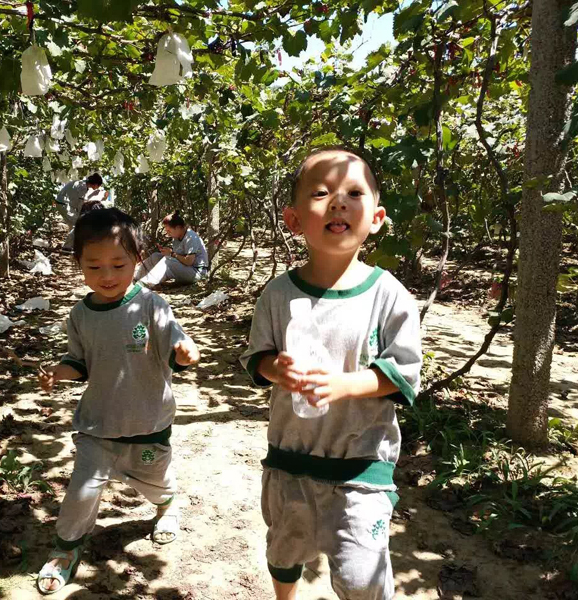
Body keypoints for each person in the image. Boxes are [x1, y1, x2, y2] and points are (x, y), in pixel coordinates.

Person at [239, 146, 422, 600]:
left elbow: (401, 374)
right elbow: (256, 357)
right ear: (294, 219)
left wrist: (344, 384)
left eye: (353, 192)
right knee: (285, 549)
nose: (338, 201)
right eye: (321, 193)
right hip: (290, 460)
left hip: (362, 466)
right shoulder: (278, 295)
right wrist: (274, 368)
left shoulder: (389, 296)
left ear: (376, 218)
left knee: (362, 579)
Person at [35, 208, 201, 594]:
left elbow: (176, 341)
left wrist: (184, 351)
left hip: (147, 421)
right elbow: (80, 363)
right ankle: (66, 549)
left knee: (154, 480)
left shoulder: (152, 305)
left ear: (137, 260)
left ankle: (167, 506)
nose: (106, 276)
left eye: (118, 264)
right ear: (78, 264)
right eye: (93, 267)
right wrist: (58, 373)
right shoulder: (80, 315)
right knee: (83, 488)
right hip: (97, 422)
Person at [134, 211, 209, 287]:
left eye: (169, 231)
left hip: (196, 272)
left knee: (168, 261)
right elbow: (177, 257)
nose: (167, 233)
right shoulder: (176, 237)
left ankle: (145, 284)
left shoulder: (191, 237)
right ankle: (135, 276)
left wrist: (171, 254)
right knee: (156, 256)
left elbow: (189, 261)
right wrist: (168, 252)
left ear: (178, 228)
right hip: (185, 269)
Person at [55, 173, 109, 252]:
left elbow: (80, 200)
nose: (98, 188)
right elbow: (80, 204)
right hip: (64, 205)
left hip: (63, 204)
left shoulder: (81, 184)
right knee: (77, 224)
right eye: (99, 185)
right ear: (96, 184)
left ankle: (73, 245)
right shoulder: (83, 187)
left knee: (73, 224)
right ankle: (67, 247)